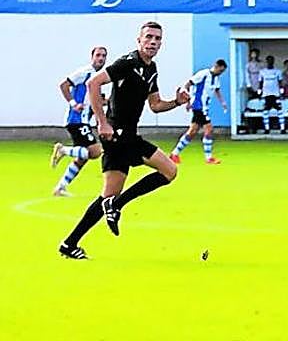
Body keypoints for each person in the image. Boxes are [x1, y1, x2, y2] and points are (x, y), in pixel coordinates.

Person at [58, 23, 189, 260]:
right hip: (117, 135)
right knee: (169, 170)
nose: (153, 42)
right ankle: (116, 206)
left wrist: (177, 102)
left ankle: (69, 244)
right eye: (148, 37)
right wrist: (102, 122)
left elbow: (156, 105)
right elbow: (93, 83)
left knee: (107, 196)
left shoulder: (152, 69)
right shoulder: (127, 62)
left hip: (127, 135)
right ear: (139, 40)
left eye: (157, 38)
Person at [50, 46, 108, 197]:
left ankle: (60, 188)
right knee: (95, 152)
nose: (101, 58)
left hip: (85, 121)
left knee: (82, 158)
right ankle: (62, 149)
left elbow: (96, 100)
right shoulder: (84, 73)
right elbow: (64, 85)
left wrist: (109, 102)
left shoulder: (98, 77)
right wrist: (73, 103)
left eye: (103, 56)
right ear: (92, 56)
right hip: (76, 120)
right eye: (98, 55)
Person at [169, 59, 229, 165]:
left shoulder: (216, 78)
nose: (221, 73)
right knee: (209, 129)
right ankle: (209, 158)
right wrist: (186, 96)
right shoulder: (203, 74)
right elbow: (189, 83)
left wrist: (222, 102)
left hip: (203, 107)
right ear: (216, 66)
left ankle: (174, 154)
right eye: (220, 70)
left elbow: (217, 90)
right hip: (199, 106)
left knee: (192, 132)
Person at [258, 55, 285, 134]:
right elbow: (261, 83)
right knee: (265, 111)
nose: (270, 62)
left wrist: (281, 93)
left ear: (273, 61)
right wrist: (259, 93)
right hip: (266, 94)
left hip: (275, 94)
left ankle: (282, 128)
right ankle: (267, 129)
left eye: (271, 60)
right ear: (266, 62)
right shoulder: (262, 72)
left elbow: (280, 82)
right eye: (268, 60)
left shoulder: (277, 71)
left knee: (280, 111)